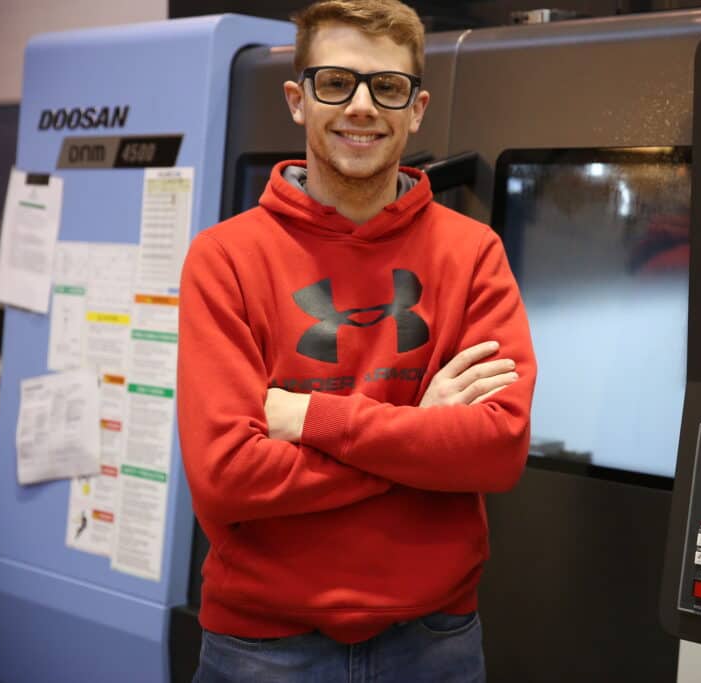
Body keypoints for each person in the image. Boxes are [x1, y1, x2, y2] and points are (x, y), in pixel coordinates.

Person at [176, 1, 536, 680]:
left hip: (436, 640)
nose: (362, 106)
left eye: (388, 87)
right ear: (298, 97)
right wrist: (421, 435)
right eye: (336, 82)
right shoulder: (225, 259)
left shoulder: (472, 254)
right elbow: (226, 476)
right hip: (262, 646)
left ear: (418, 108)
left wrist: (310, 416)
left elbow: (496, 448)